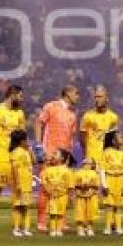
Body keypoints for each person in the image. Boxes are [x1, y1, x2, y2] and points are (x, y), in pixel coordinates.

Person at [35, 86, 79, 232]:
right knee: (46, 188)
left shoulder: (73, 114)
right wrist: (39, 146)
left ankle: (61, 220)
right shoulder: (51, 106)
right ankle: (41, 221)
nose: (78, 96)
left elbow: (71, 137)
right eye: (76, 93)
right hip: (50, 152)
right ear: (67, 94)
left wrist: (70, 155)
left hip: (64, 157)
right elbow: (38, 123)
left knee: (63, 188)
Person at [0, 85, 26, 234]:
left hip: (16, 159)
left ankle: (16, 227)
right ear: (12, 95)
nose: (22, 99)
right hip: (0, 158)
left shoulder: (19, 113)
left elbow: (22, 137)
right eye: (20, 96)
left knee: (17, 192)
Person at [80, 85, 120, 165]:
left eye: (100, 97)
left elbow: (115, 139)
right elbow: (82, 137)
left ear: (107, 98)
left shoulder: (113, 117)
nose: (97, 99)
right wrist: (85, 154)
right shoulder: (87, 116)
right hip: (91, 157)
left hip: (106, 157)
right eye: (95, 97)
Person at [100, 130, 123, 235]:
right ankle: (107, 228)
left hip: (119, 181)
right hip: (110, 179)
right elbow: (102, 170)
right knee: (110, 206)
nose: (122, 138)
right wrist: (104, 185)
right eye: (119, 137)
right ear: (113, 141)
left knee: (118, 206)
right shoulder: (107, 152)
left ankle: (118, 228)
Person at [41, 149, 74, 237]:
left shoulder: (67, 171)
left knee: (60, 214)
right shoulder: (48, 170)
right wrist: (48, 190)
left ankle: (58, 229)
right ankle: (52, 230)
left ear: (62, 158)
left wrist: (70, 197)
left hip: (63, 195)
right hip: (52, 196)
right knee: (52, 213)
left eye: (55, 154)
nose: (53, 155)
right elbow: (44, 182)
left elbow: (70, 185)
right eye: (53, 153)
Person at [9, 129, 34, 237]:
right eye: (26, 139)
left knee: (26, 206)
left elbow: (34, 161)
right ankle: (16, 228)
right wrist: (18, 183)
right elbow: (15, 169)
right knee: (18, 207)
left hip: (27, 184)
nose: (27, 141)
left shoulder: (26, 151)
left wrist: (30, 150)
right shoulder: (16, 152)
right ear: (22, 141)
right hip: (20, 184)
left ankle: (26, 229)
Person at [74, 158, 99, 236]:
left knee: (91, 212)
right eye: (86, 163)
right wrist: (80, 189)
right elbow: (76, 185)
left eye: (89, 163)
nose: (87, 165)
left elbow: (96, 185)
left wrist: (91, 192)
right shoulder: (78, 173)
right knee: (80, 212)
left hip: (91, 196)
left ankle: (89, 227)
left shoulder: (94, 173)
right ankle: (80, 228)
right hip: (81, 196)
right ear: (83, 164)